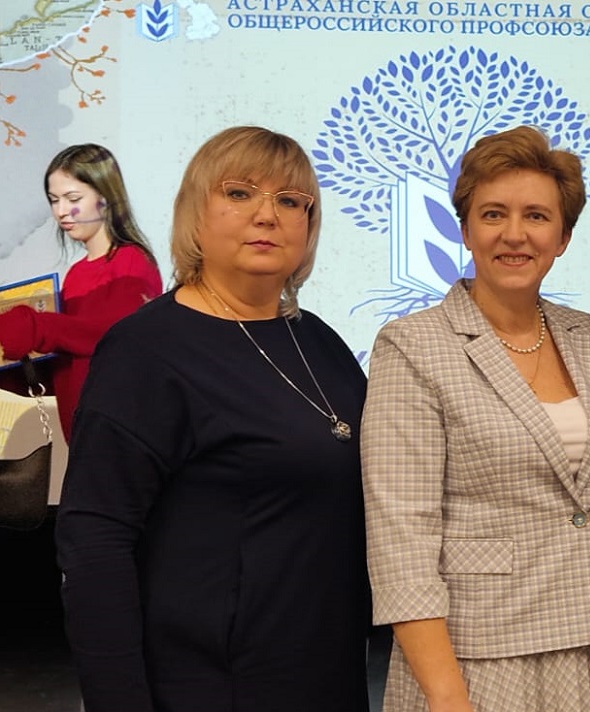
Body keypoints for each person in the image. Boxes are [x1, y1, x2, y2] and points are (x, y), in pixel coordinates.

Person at [55, 126, 370, 712]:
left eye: (290, 201)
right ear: (194, 213)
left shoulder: (321, 342)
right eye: (239, 193)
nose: (267, 215)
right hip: (207, 685)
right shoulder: (145, 350)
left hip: (324, 674)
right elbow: (96, 541)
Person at [361, 125, 590, 712]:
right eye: (493, 214)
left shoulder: (589, 335)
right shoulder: (412, 345)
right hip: (474, 661)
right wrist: (446, 695)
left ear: (563, 236)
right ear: (465, 230)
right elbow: (400, 539)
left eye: (536, 216)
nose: (515, 234)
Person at [0, 143, 162, 440]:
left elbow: (114, 337)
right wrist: (15, 368)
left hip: (122, 434)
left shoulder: (132, 261)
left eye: (73, 198)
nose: (61, 211)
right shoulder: (76, 274)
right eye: (54, 200)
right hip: (82, 437)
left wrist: (34, 326)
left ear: (105, 197)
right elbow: (69, 362)